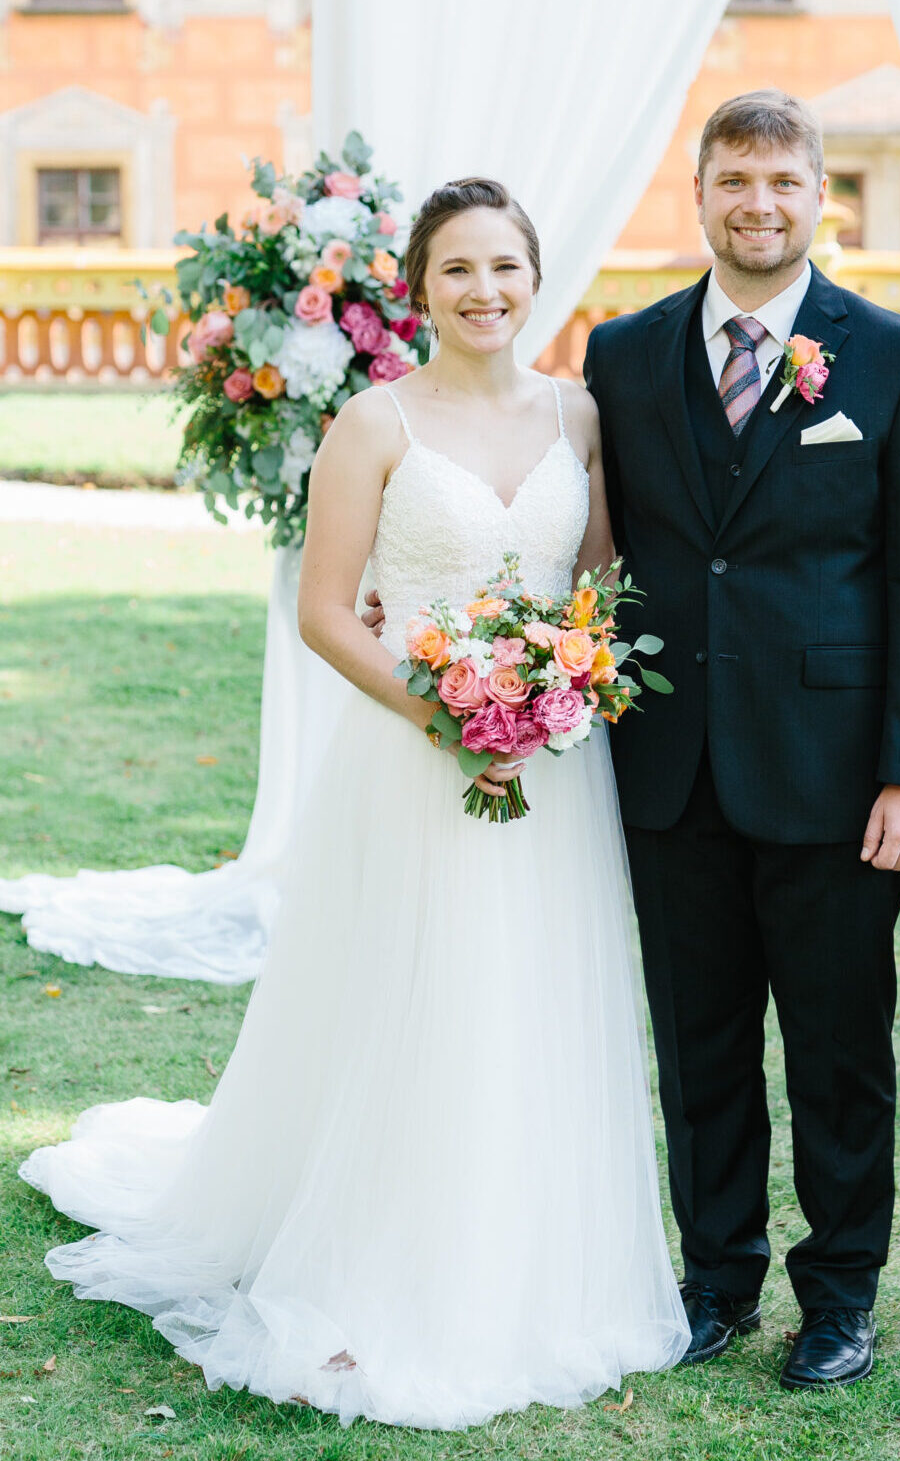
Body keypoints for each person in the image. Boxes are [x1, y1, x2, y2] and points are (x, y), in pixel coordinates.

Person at [19, 179, 689, 1429]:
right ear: (420, 287)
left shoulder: (582, 414)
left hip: (551, 762)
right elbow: (327, 608)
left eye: (506, 267)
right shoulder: (373, 425)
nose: (485, 292)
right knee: (418, 993)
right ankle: (388, 1254)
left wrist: (556, 691)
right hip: (412, 752)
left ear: (535, 279)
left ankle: (533, 1255)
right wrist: (451, 714)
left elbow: (601, 583)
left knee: (537, 995)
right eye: (457, 271)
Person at [582, 90, 900, 1389]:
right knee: (697, 1039)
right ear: (699, 194)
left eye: (784, 182)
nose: (760, 202)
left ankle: (842, 1291)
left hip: (837, 773)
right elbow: (601, 556)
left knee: (837, 1046)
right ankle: (713, 1275)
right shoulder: (622, 356)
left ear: (823, 199)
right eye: (735, 178)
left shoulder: (897, 356)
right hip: (669, 764)